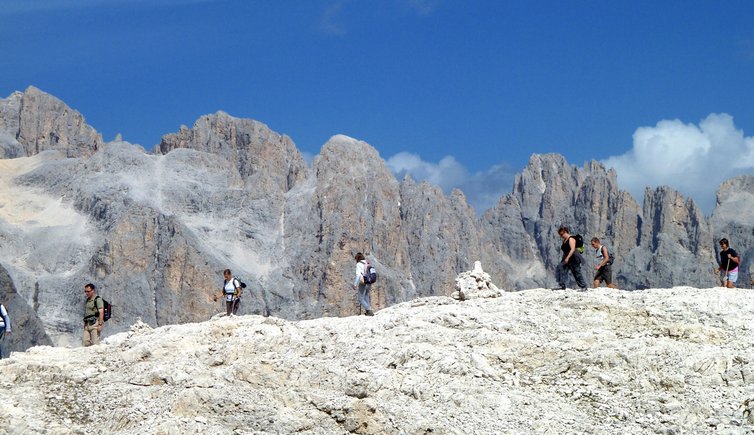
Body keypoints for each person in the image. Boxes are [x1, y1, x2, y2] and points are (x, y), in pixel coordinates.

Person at [553, 226, 587, 291]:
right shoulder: (564, 241)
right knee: (561, 268)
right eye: (560, 235)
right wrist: (563, 259)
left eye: (562, 234)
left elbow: (572, 249)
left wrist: (567, 258)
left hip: (574, 258)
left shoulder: (571, 238)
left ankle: (584, 286)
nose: (561, 236)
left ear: (565, 232)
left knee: (576, 272)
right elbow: (565, 251)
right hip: (567, 258)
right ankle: (562, 285)